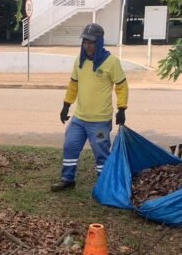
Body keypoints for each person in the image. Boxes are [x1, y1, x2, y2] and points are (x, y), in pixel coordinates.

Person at [51, 23, 128, 192]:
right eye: (84, 42)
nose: (87, 46)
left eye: (91, 42)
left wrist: (122, 109)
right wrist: (66, 106)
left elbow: (121, 86)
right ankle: (68, 179)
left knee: (101, 153)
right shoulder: (79, 61)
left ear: (99, 42)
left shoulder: (111, 62)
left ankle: (105, 185)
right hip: (79, 119)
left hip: (100, 121)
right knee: (70, 146)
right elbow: (73, 85)